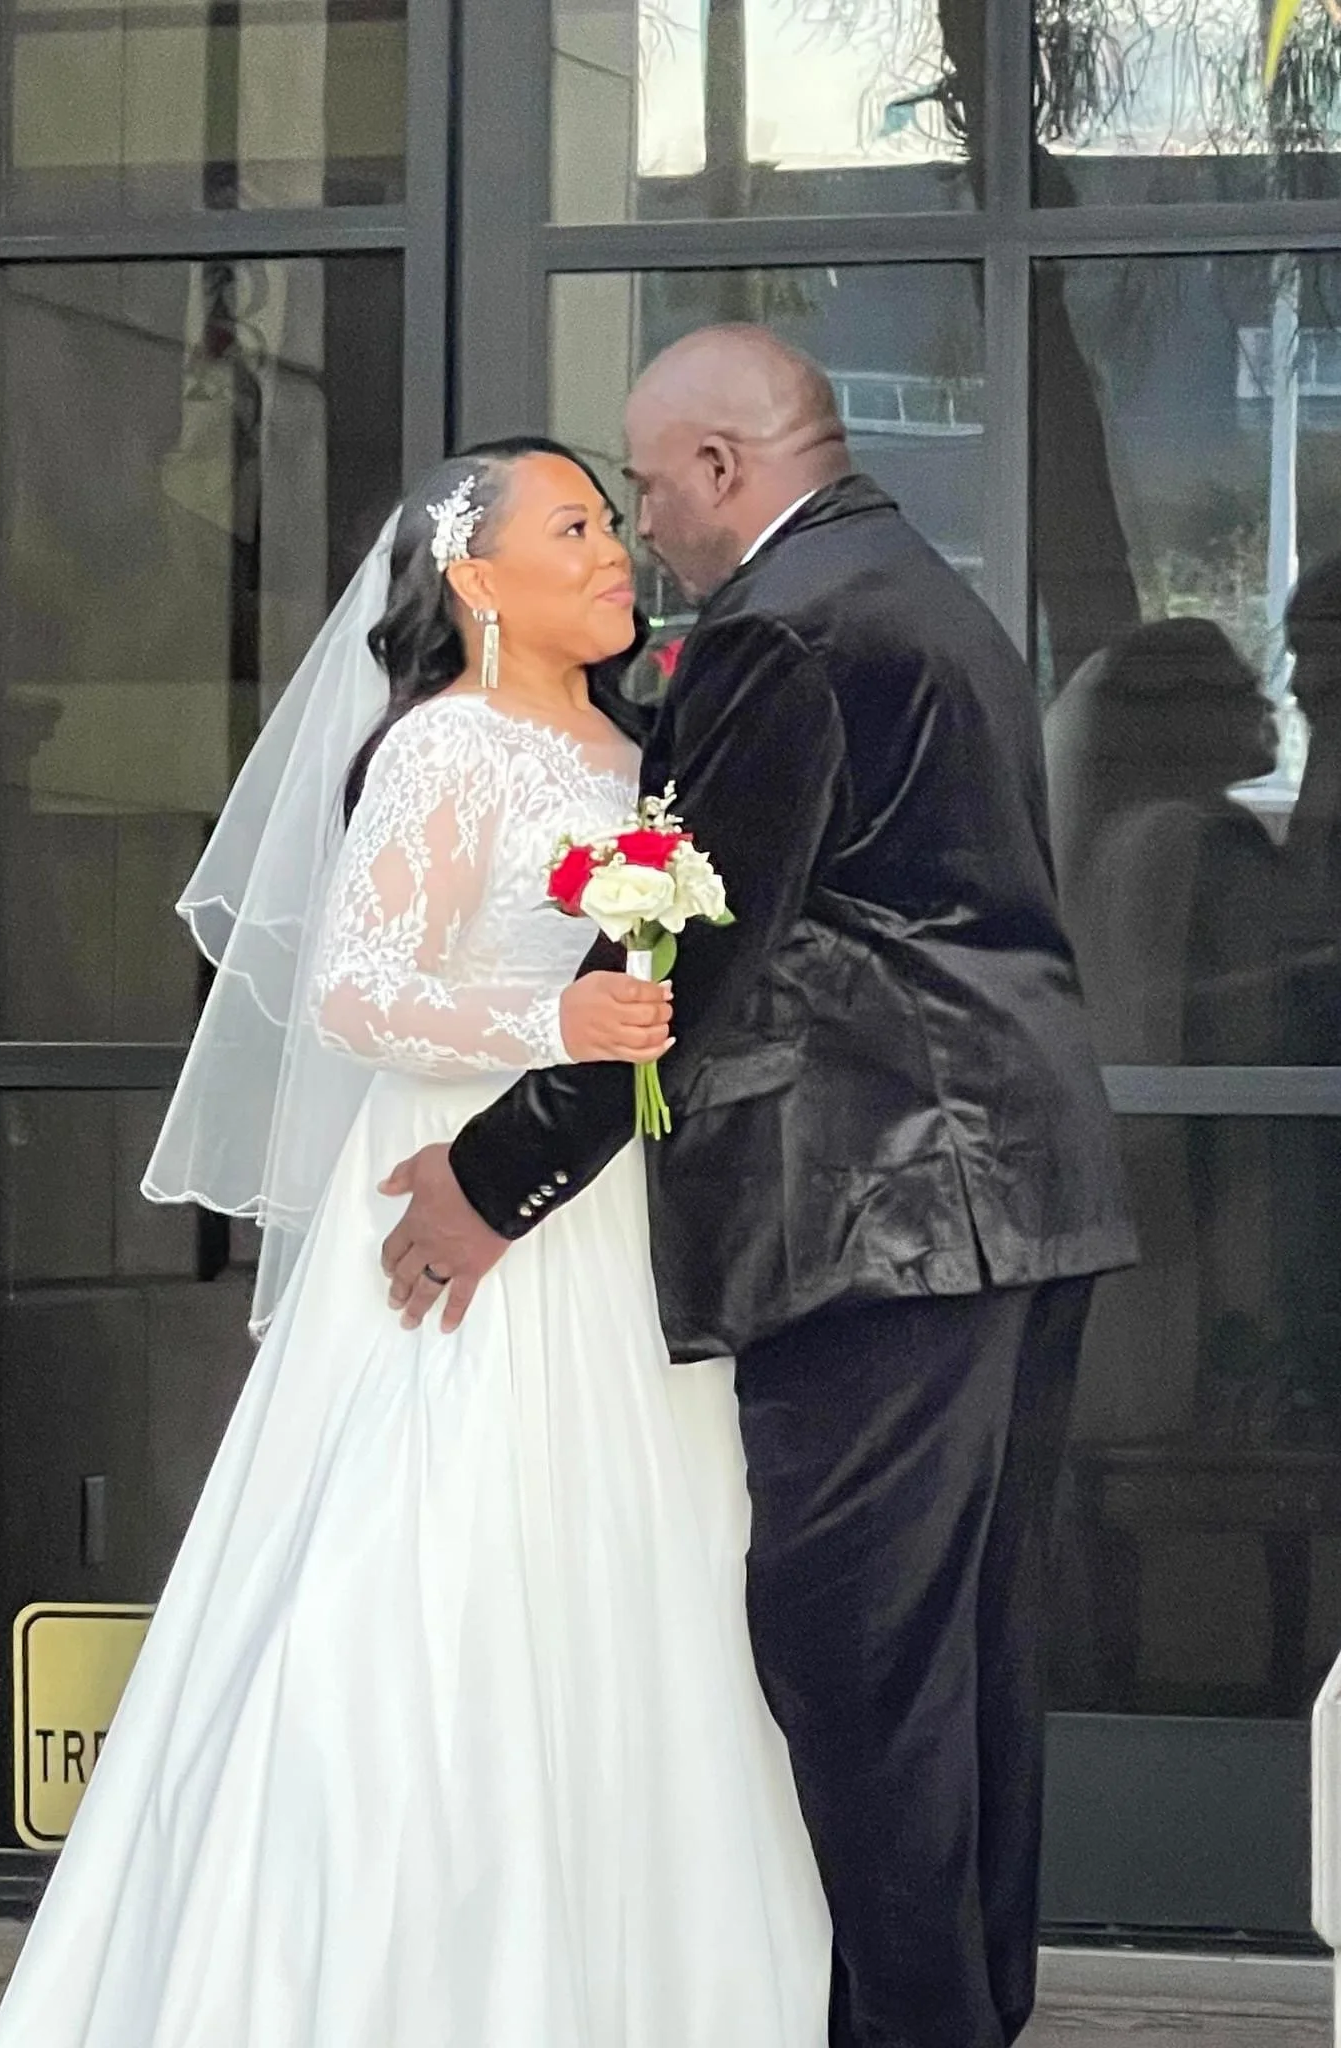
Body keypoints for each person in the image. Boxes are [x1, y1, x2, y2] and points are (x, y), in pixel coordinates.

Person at [0, 438, 831, 2047]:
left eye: (608, 523)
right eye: (569, 526)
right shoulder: (446, 753)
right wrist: (552, 1013)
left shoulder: (639, 761)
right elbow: (355, 992)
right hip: (450, 1187)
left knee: (638, 1581)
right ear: (474, 579)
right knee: (428, 1579)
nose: (608, 552)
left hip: (601, 1227)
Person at [379, 328, 1136, 2048]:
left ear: (721, 466)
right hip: (1008, 1200)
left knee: (858, 1673)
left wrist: (495, 1178)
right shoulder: (915, 591)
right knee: (962, 1672)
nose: (642, 527)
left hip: (891, 1218)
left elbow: (687, 950)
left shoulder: (788, 632)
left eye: (643, 488)